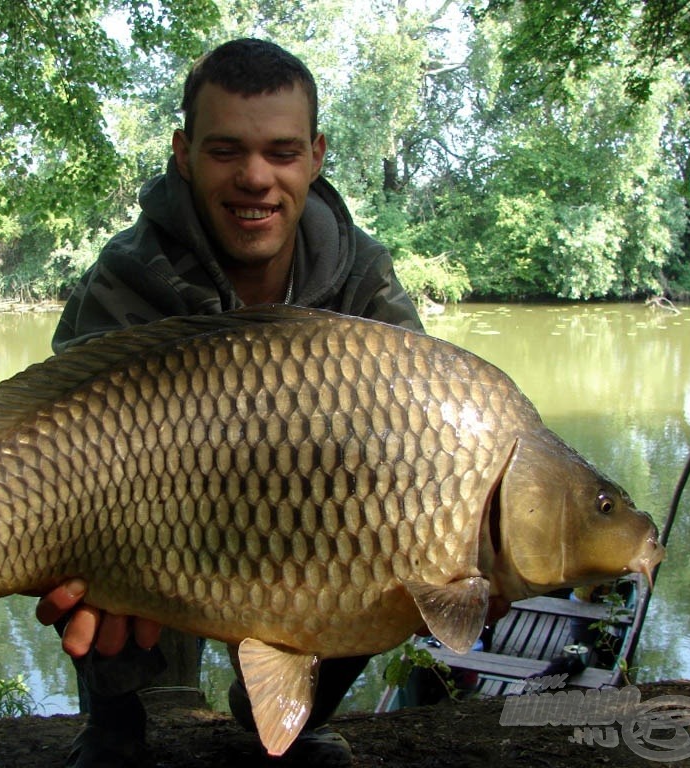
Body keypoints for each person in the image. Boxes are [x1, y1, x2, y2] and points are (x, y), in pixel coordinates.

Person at [34, 38, 424, 768]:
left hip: (311, 523)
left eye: (281, 152)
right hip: (152, 514)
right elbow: (56, 445)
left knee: (397, 540)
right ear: (183, 152)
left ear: (316, 155)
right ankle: (118, 722)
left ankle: (285, 718)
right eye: (225, 151)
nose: (255, 178)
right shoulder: (129, 276)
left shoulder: (362, 276)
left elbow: (422, 447)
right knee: (73, 526)